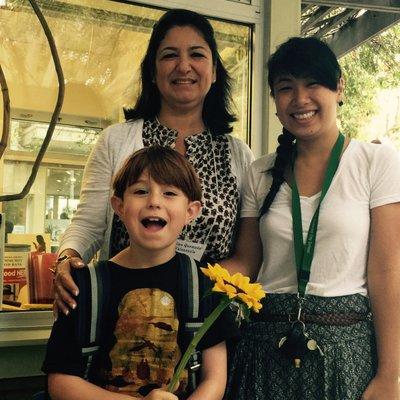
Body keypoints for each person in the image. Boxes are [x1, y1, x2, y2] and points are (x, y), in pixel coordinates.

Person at [224, 37, 400, 400]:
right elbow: (247, 263)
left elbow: (387, 273)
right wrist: (176, 272)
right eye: (285, 88)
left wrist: (390, 376)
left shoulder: (376, 163)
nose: (299, 99)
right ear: (275, 103)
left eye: (312, 84)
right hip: (263, 350)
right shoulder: (260, 173)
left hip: (345, 352)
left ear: (339, 88)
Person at [53, 8, 253, 316]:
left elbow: (247, 254)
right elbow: (89, 224)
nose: (184, 66)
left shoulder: (239, 154)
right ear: (152, 70)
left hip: (211, 322)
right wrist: (67, 258)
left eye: (197, 55)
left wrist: (190, 290)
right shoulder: (116, 141)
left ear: (214, 72)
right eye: (170, 55)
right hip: (125, 313)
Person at [43, 146, 235, 400]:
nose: (154, 201)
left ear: (191, 211)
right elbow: (60, 383)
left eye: (169, 193)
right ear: (119, 206)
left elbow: (214, 379)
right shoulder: (84, 286)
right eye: (141, 191)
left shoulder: (206, 287)